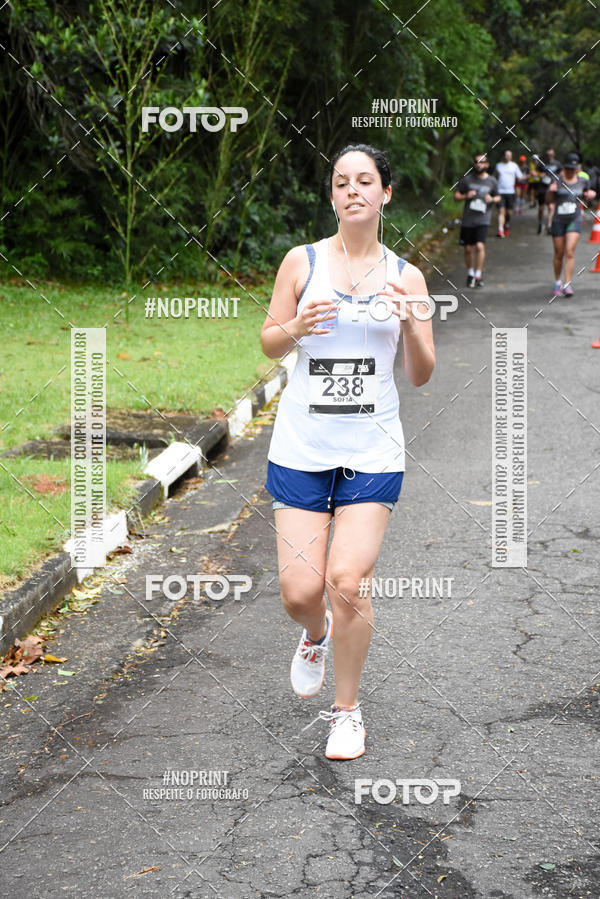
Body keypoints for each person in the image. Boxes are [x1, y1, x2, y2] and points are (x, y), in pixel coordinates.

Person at [260, 143, 435, 760]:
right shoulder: (300, 263)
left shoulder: (406, 276)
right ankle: (315, 634)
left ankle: (346, 712)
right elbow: (269, 343)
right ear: (332, 195)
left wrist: (412, 320)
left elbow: (421, 374)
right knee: (300, 591)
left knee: (347, 578)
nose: (352, 190)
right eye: (341, 182)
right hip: (303, 446)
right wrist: (297, 329)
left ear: (386, 193)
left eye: (365, 181)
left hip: (372, 450)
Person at [546, 151, 596, 296]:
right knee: (559, 253)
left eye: (572, 169)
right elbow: (548, 201)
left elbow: (587, 201)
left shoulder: (583, 182)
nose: (570, 171)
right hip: (558, 220)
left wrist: (589, 196)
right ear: (564, 167)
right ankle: (557, 282)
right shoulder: (557, 180)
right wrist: (550, 191)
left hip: (574, 220)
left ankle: (567, 284)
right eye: (567, 168)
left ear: (577, 169)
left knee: (569, 251)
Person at [454, 152, 500, 287]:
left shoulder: (492, 181)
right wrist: (466, 196)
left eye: (482, 162)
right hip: (468, 219)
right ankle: (470, 274)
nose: (479, 164)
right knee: (468, 248)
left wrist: (491, 199)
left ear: (487, 164)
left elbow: (498, 197)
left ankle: (478, 275)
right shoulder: (467, 180)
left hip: (483, 219)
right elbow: (456, 196)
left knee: (480, 246)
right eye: (476, 162)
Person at [494, 149, 522, 236]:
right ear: (504, 156)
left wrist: (530, 175)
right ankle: (500, 229)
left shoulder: (514, 166)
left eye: (509, 155)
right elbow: (493, 178)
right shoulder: (498, 166)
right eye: (506, 155)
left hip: (510, 192)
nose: (508, 157)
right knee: (501, 211)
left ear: (511, 156)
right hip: (500, 191)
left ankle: (507, 224)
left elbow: (520, 177)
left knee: (509, 212)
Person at [535, 148, 562, 234]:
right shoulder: (541, 163)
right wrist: (539, 174)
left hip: (552, 187)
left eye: (551, 154)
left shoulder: (558, 164)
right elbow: (533, 172)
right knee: (541, 208)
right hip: (542, 187)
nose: (549, 156)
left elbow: (562, 173)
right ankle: (540, 223)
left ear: (554, 155)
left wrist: (558, 180)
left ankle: (549, 226)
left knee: (551, 207)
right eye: (548, 155)